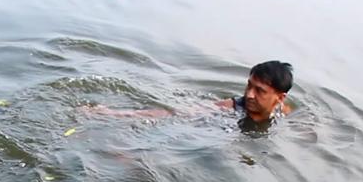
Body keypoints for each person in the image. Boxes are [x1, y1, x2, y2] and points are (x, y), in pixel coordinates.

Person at [82, 60, 294, 132]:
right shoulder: (230, 107)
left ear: (280, 97)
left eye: (260, 91)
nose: (249, 94)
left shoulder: (284, 112)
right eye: (249, 85)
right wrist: (112, 114)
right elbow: (175, 113)